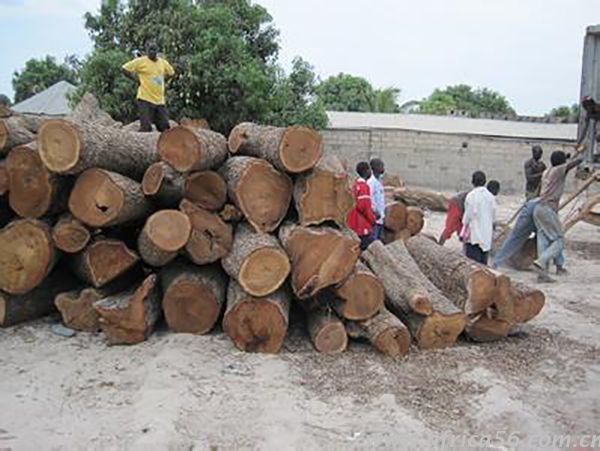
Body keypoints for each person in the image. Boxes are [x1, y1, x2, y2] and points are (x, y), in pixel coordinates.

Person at [532, 151, 583, 282]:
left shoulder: (548, 171)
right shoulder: (559, 170)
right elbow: (573, 164)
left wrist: (567, 157)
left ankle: (543, 274)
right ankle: (540, 262)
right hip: (548, 208)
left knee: (543, 240)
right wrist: (585, 155)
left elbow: (563, 164)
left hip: (538, 208)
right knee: (559, 240)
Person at [122, 42, 175, 132]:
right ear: (146, 51)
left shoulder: (163, 63)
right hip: (145, 99)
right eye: (150, 50)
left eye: (154, 50)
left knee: (165, 127)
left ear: (157, 51)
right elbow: (124, 69)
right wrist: (136, 80)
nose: (152, 52)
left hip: (159, 100)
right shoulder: (141, 61)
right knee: (146, 128)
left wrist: (164, 80)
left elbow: (171, 73)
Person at [462, 171, 496, 265]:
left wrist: (463, 228)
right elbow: (493, 216)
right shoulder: (490, 197)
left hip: (474, 236)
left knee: (473, 264)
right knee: (483, 263)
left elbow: (467, 216)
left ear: (472, 182)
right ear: (485, 181)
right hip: (486, 236)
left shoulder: (471, 196)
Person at [347, 162, 377, 250]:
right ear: (367, 171)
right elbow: (364, 207)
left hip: (353, 223)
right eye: (369, 170)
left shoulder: (355, 185)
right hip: (362, 225)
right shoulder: (364, 187)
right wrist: (373, 219)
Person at [367, 158, 385, 241]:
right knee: (372, 242)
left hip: (380, 219)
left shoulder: (379, 182)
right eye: (381, 165)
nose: (383, 167)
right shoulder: (371, 182)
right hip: (373, 219)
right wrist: (374, 211)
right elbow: (368, 198)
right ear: (375, 167)